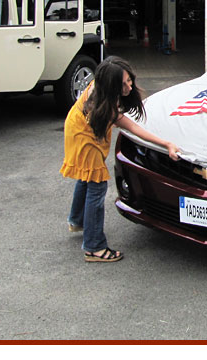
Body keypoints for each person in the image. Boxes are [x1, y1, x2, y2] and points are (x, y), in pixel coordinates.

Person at [60, 56, 181, 263]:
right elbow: (133, 128)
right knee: (96, 186)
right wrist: (167, 144)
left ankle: (77, 220)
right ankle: (94, 247)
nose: (129, 86)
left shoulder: (103, 86)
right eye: (123, 84)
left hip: (76, 125)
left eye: (129, 80)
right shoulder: (104, 106)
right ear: (110, 85)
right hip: (82, 137)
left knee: (85, 176)